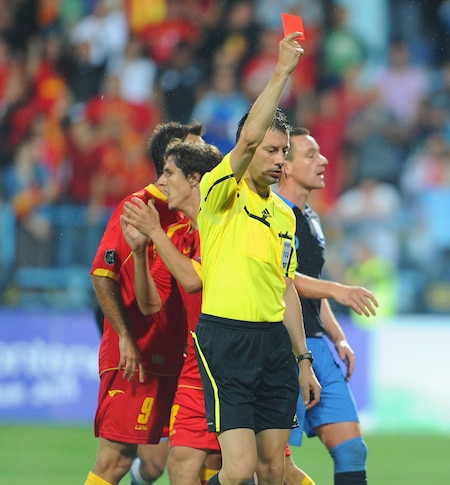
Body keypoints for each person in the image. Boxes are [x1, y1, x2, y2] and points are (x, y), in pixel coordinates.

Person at [193, 32, 321, 485]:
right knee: (240, 468)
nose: (279, 161)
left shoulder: (284, 214)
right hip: (226, 338)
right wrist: (283, 70)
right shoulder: (219, 193)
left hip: (273, 345)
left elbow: (285, 287)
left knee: (272, 468)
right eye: (270, 150)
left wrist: (303, 358)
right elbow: (247, 139)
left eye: (283, 152)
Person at [86, 121, 205, 485]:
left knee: (158, 465)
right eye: (195, 149)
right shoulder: (138, 207)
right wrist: (125, 337)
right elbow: (101, 274)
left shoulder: (196, 211)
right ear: (171, 159)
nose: (204, 157)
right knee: (116, 459)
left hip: (179, 356)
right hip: (138, 354)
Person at [276, 127, 378, 485]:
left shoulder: (313, 219)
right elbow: (283, 279)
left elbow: (311, 287)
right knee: (273, 466)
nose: (323, 160)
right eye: (310, 154)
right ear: (285, 167)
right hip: (286, 346)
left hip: (319, 344)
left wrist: (339, 338)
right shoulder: (274, 215)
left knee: (352, 449)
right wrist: (339, 289)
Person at [120, 140, 225, 485]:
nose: (160, 182)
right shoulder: (175, 234)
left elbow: (193, 280)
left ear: (194, 179)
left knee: (265, 470)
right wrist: (139, 252)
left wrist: (152, 232)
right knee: (180, 466)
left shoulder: (224, 223)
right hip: (197, 365)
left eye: (168, 173)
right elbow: (151, 304)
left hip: (239, 360)